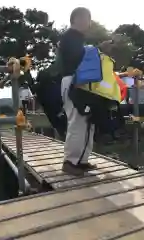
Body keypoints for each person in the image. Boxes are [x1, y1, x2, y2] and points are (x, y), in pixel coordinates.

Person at [59, 7, 96, 176]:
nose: (88, 22)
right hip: (73, 81)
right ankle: (70, 162)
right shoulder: (69, 37)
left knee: (87, 122)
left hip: (81, 82)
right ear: (75, 19)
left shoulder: (79, 39)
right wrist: (94, 50)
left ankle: (82, 160)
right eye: (85, 18)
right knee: (77, 122)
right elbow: (76, 58)